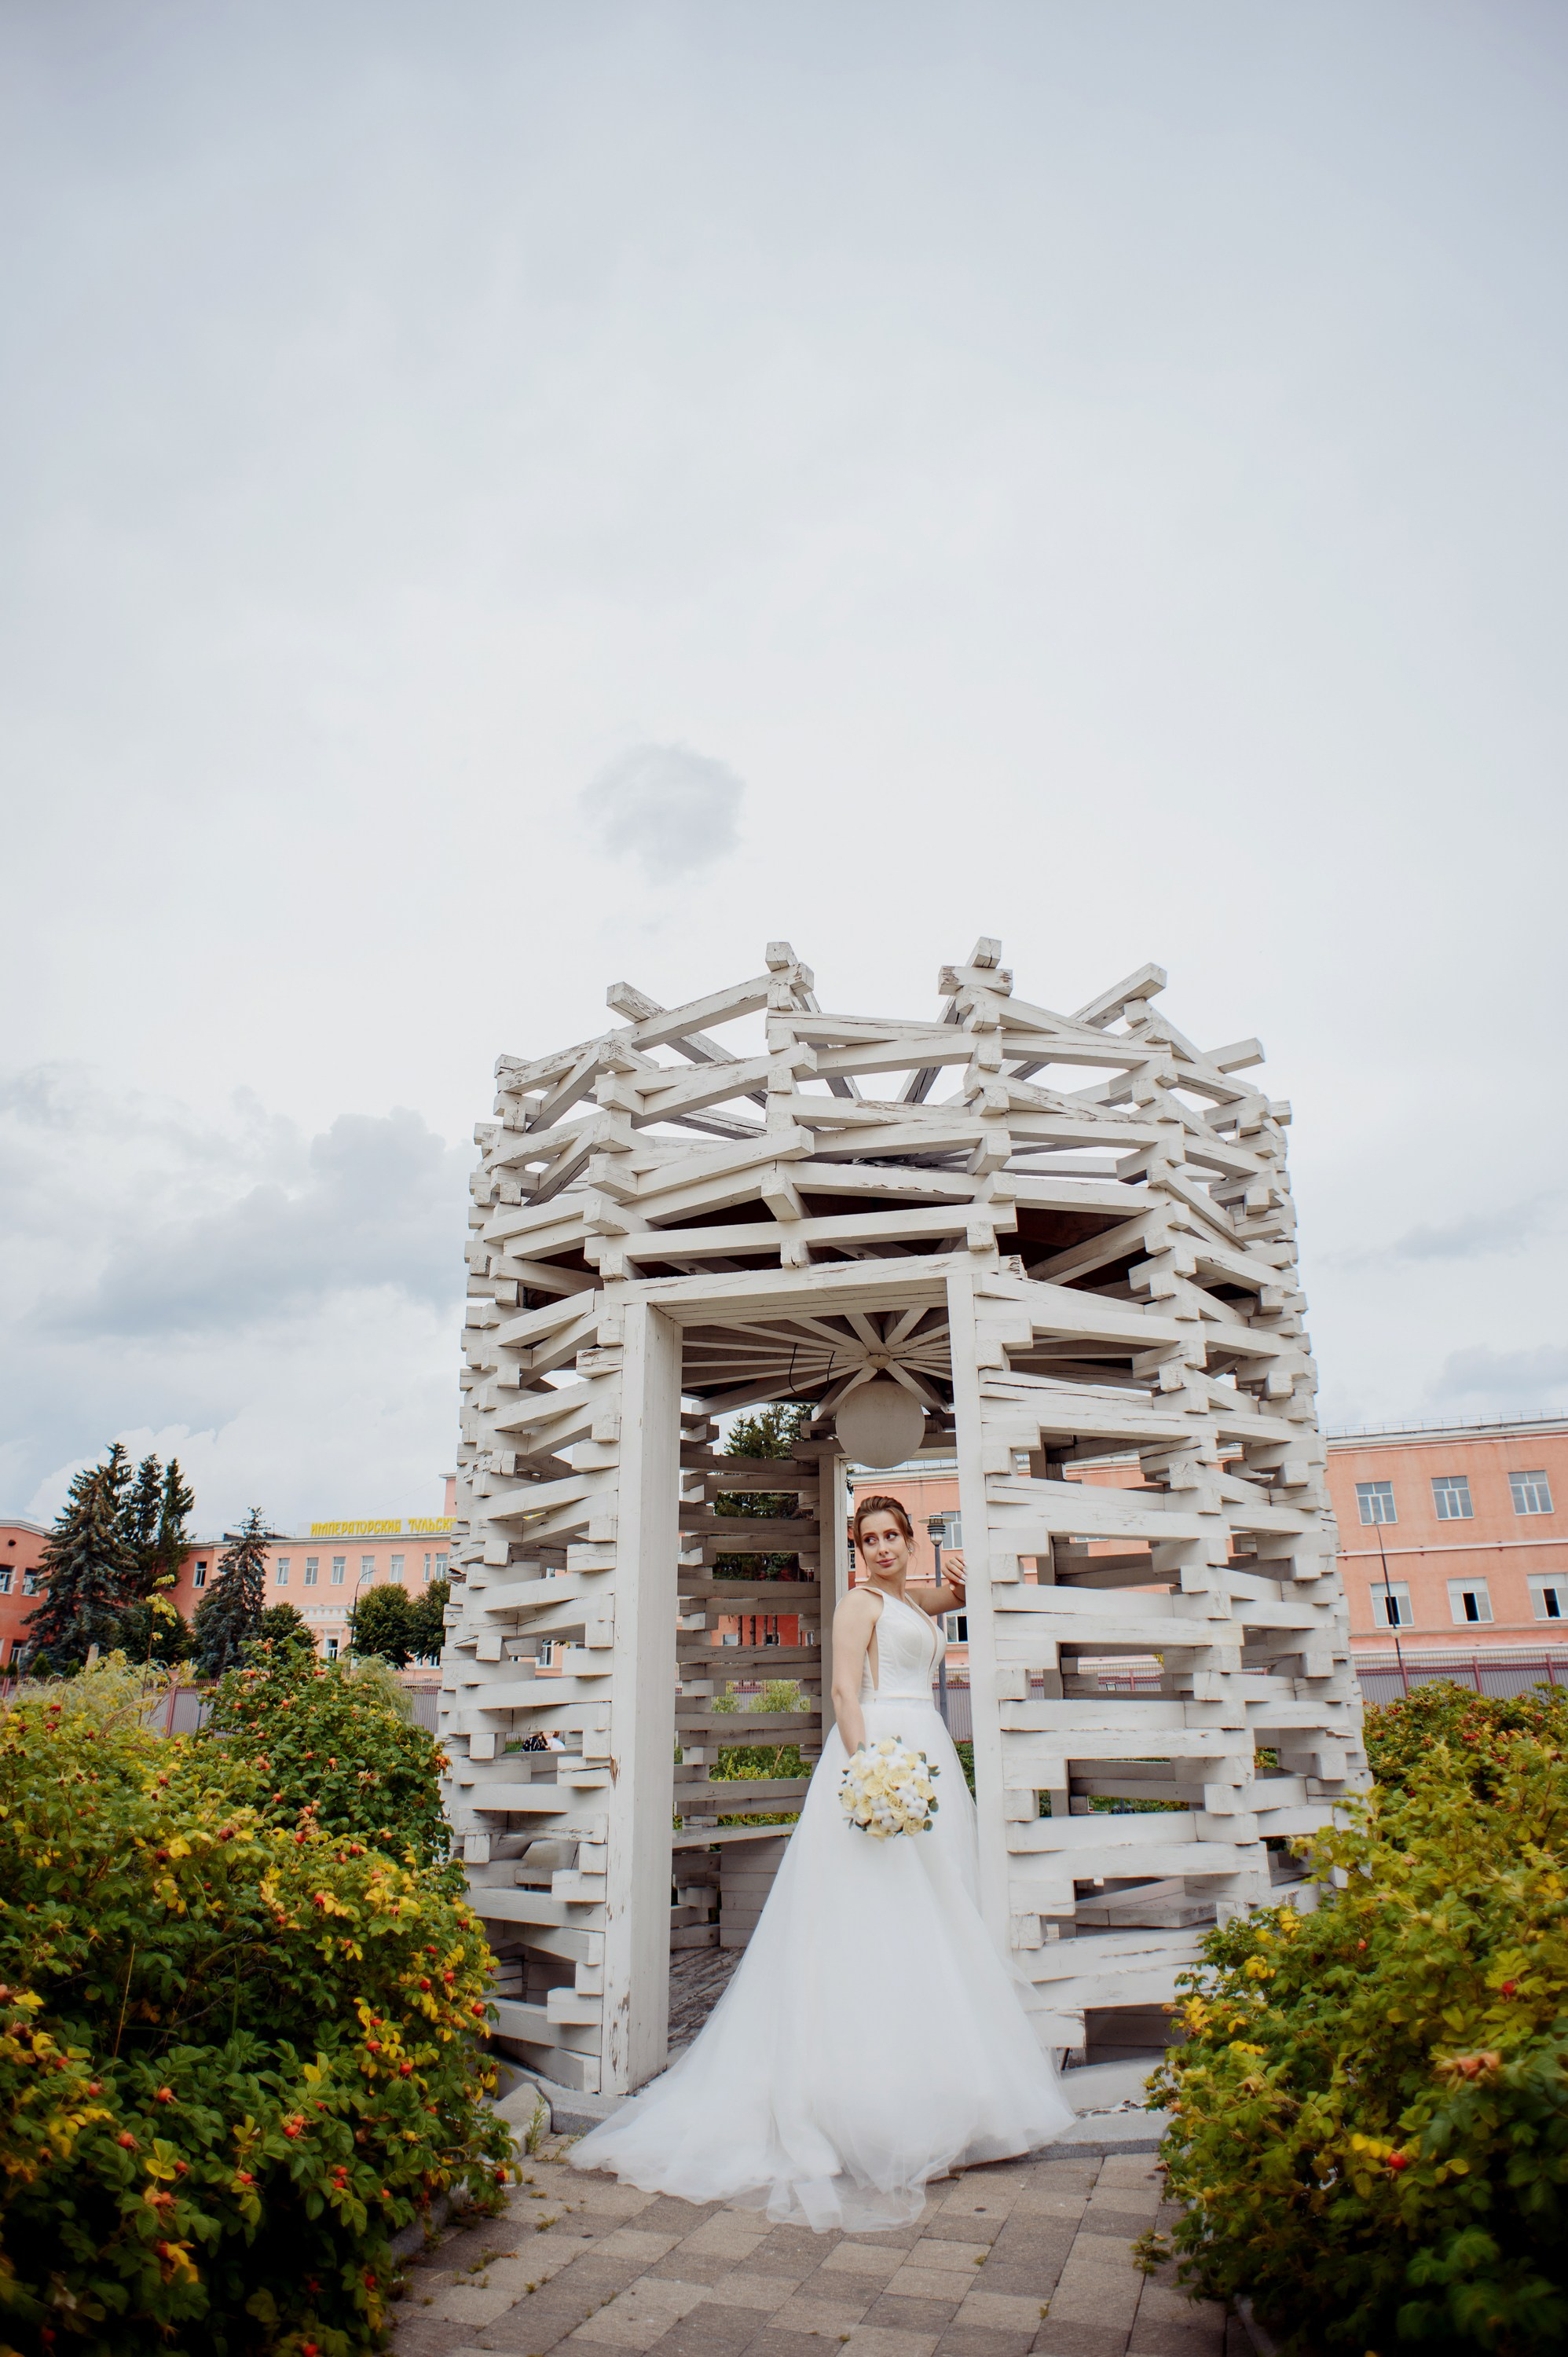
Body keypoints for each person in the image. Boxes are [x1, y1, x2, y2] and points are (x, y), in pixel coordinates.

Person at [569, 1491, 1075, 2230]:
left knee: (933, 1918)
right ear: (859, 1549)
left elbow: (955, 1594)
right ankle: (853, 2097)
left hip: (927, 1754)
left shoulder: (911, 1600)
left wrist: (963, 1568)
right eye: (868, 1539)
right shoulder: (861, 1605)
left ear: (909, 1539)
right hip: (881, 1757)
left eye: (891, 1536)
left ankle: (935, 2085)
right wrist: (868, 1773)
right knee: (870, 1919)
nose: (880, 1548)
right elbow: (844, 1690)